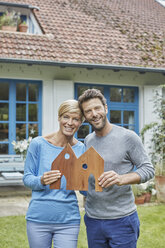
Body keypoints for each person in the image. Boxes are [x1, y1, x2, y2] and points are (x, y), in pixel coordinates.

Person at [78, 89, 155, 248]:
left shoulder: (128, 137)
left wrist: (121, 179)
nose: (94, 114)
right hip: (93, 219)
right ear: (85, 116)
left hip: (122, 220)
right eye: (88, 111)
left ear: (105, 108)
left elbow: (148, 169)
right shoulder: (88, 140)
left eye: (97, 108)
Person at [23, 99, 85, 248]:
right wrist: (41, 180)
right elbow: (27, 178)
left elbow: (83, 187)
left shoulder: (81, 149)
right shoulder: (38, 144)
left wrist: (93, 183)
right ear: (59, 118)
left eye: (75, 119)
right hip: (38, 219)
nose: (70, 123)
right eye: (66, 117)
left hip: (68, 221)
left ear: (80, 122)